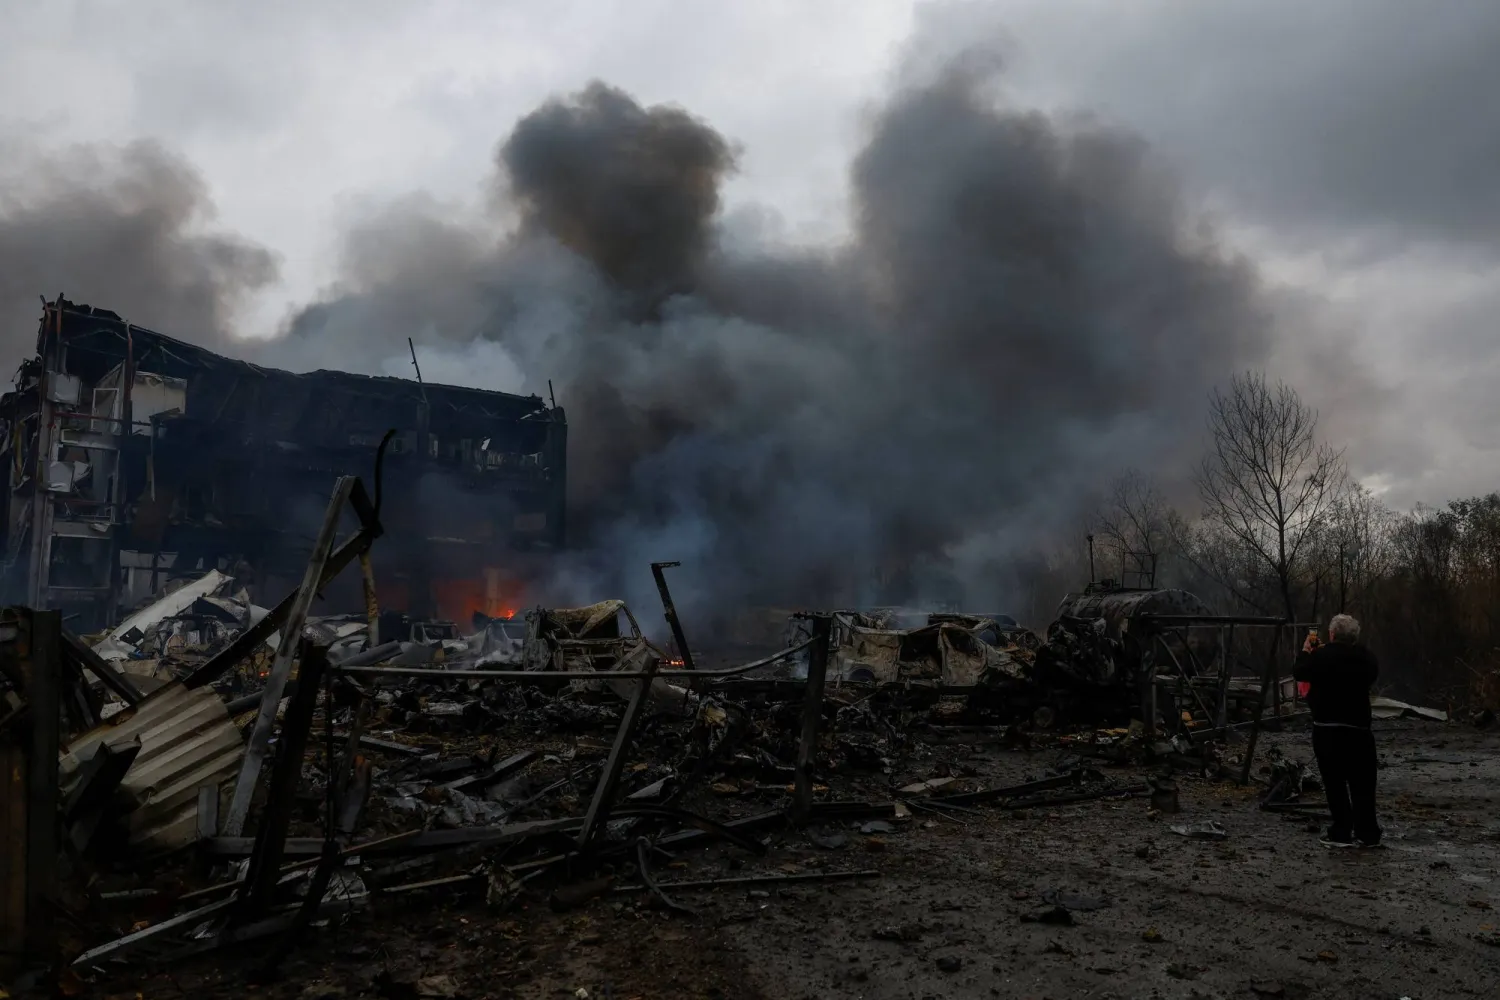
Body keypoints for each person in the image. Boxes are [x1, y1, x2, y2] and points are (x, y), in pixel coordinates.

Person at [1293, 614, 1382, 848]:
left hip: (1328, 730)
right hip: (1360, 731)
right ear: (1355, 637)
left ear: (1331, 634)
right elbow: (1369, 672)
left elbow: (1300, 671)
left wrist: (1306, 650)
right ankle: (1368, 833)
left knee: (1335, 784)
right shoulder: (1366, 658)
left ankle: (1341, 831)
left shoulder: (1320, 657)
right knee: (1363, 785)